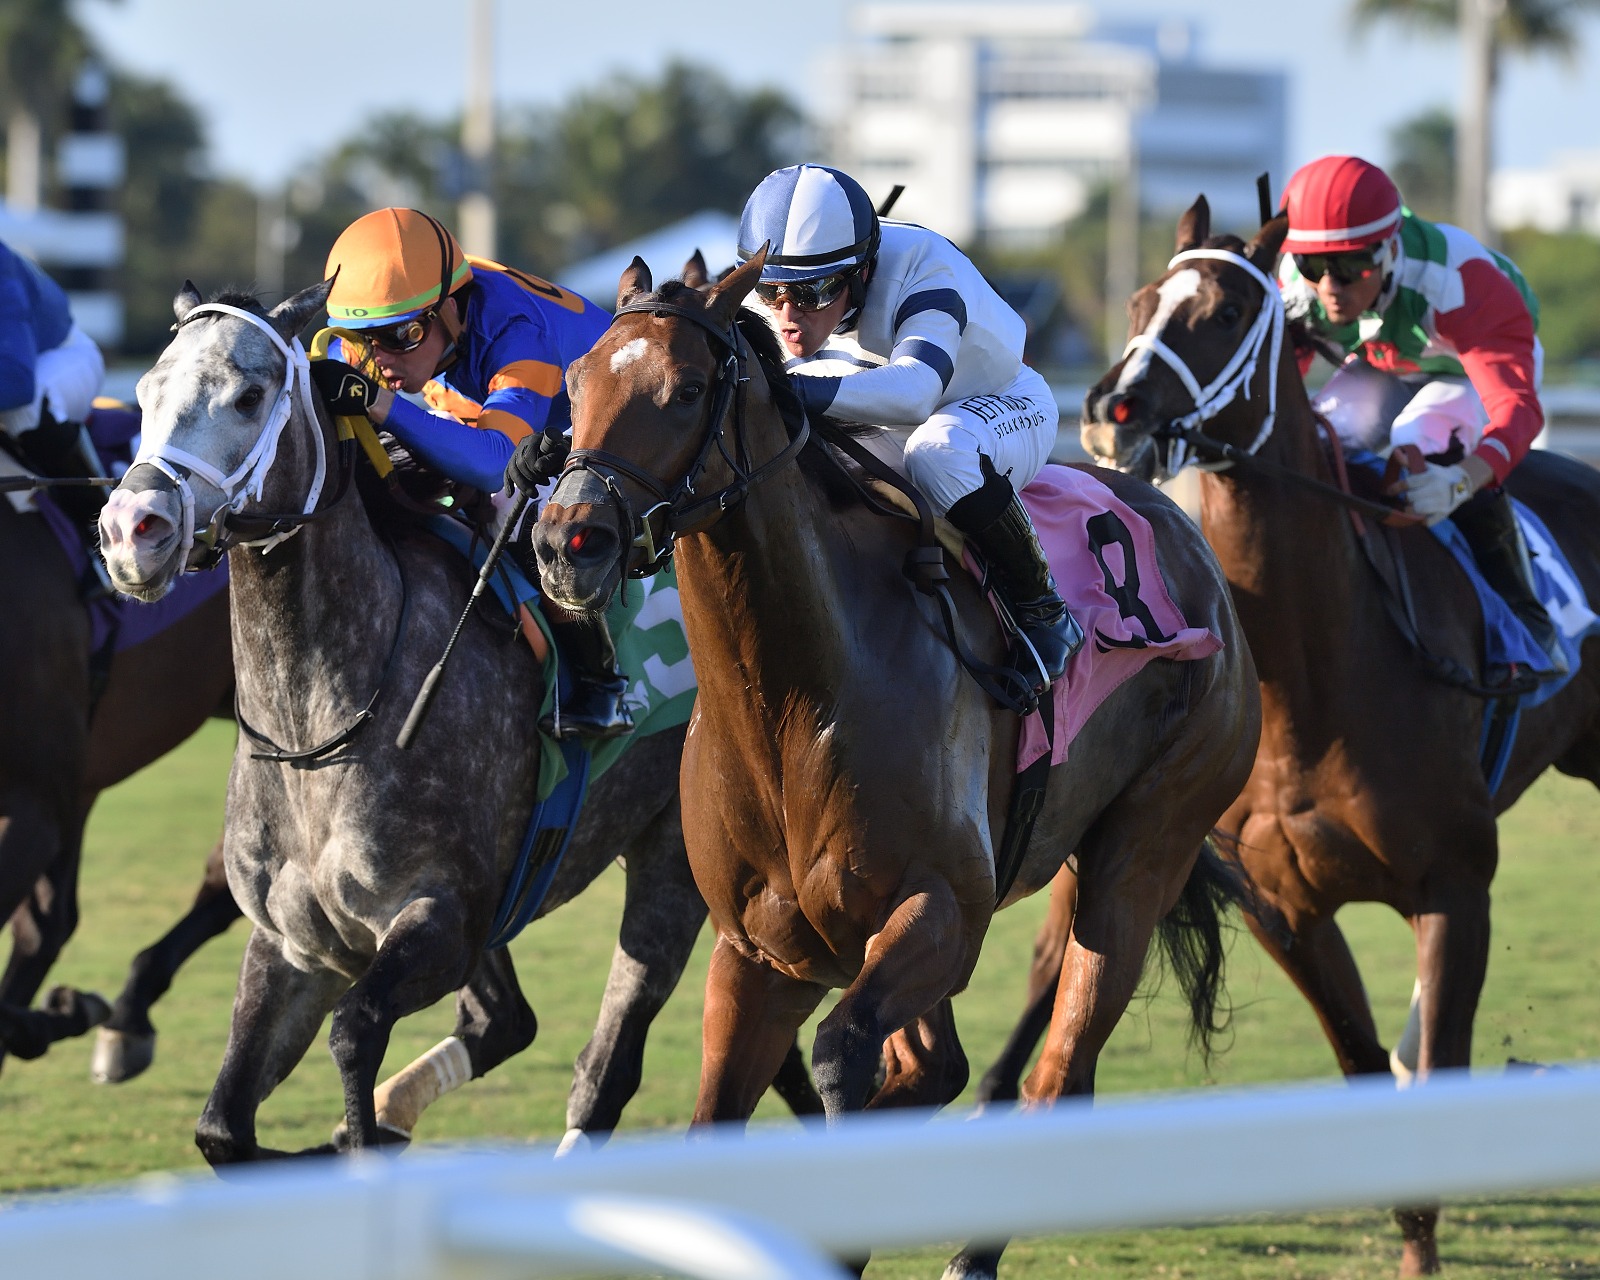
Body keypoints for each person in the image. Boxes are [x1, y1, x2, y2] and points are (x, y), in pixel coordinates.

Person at [733, 162, 1082, 690]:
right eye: (771, 292)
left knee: (937, 454)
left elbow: (917, 392)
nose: (786, 314)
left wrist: (788, 390)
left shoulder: (924, 267)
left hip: (994, 402)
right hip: (883, 399)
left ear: (862, 273)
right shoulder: (795, 281)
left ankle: (1043, 608)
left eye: (810, 295)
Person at [310, 207, 631, 737]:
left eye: (403, 335)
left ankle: (600, 685)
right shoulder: (396, 326)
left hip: (599, 434)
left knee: (516, 499)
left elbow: (494, 463)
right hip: (494, 422)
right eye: (365, 338)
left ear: (453, 310)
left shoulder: (514, 332)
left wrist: (381, 405)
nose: (381, 357)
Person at [1279, 154, 1565, 677]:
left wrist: (1462, 481)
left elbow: (1516, 409)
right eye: (1313, 266)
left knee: (1418, 446)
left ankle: (1527, 620)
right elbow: (1279, 393)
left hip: (1467, 369)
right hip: (1385, 360)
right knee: (1322, 444)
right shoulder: (1296, 284)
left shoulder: (1460, 282)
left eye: (1348, 267)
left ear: (1389, 249)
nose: (1328, 288)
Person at [0, 236, 107, 525]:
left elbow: (17, 383)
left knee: (26, 409)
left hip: (63, 357)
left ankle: (97, 527)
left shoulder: (2, 269)